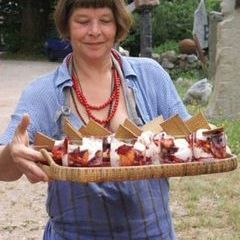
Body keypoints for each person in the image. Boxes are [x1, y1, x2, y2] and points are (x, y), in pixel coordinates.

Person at [0, 0, 190, 239]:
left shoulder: (151, 76)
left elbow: (189, 138)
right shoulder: (43, 92)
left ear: (117, 25)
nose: (94, 31)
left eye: (105, 20)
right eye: (82, 21)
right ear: (66, 26)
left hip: (153, 233)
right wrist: (12, 153)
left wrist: (208, 138)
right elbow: (4, 169)